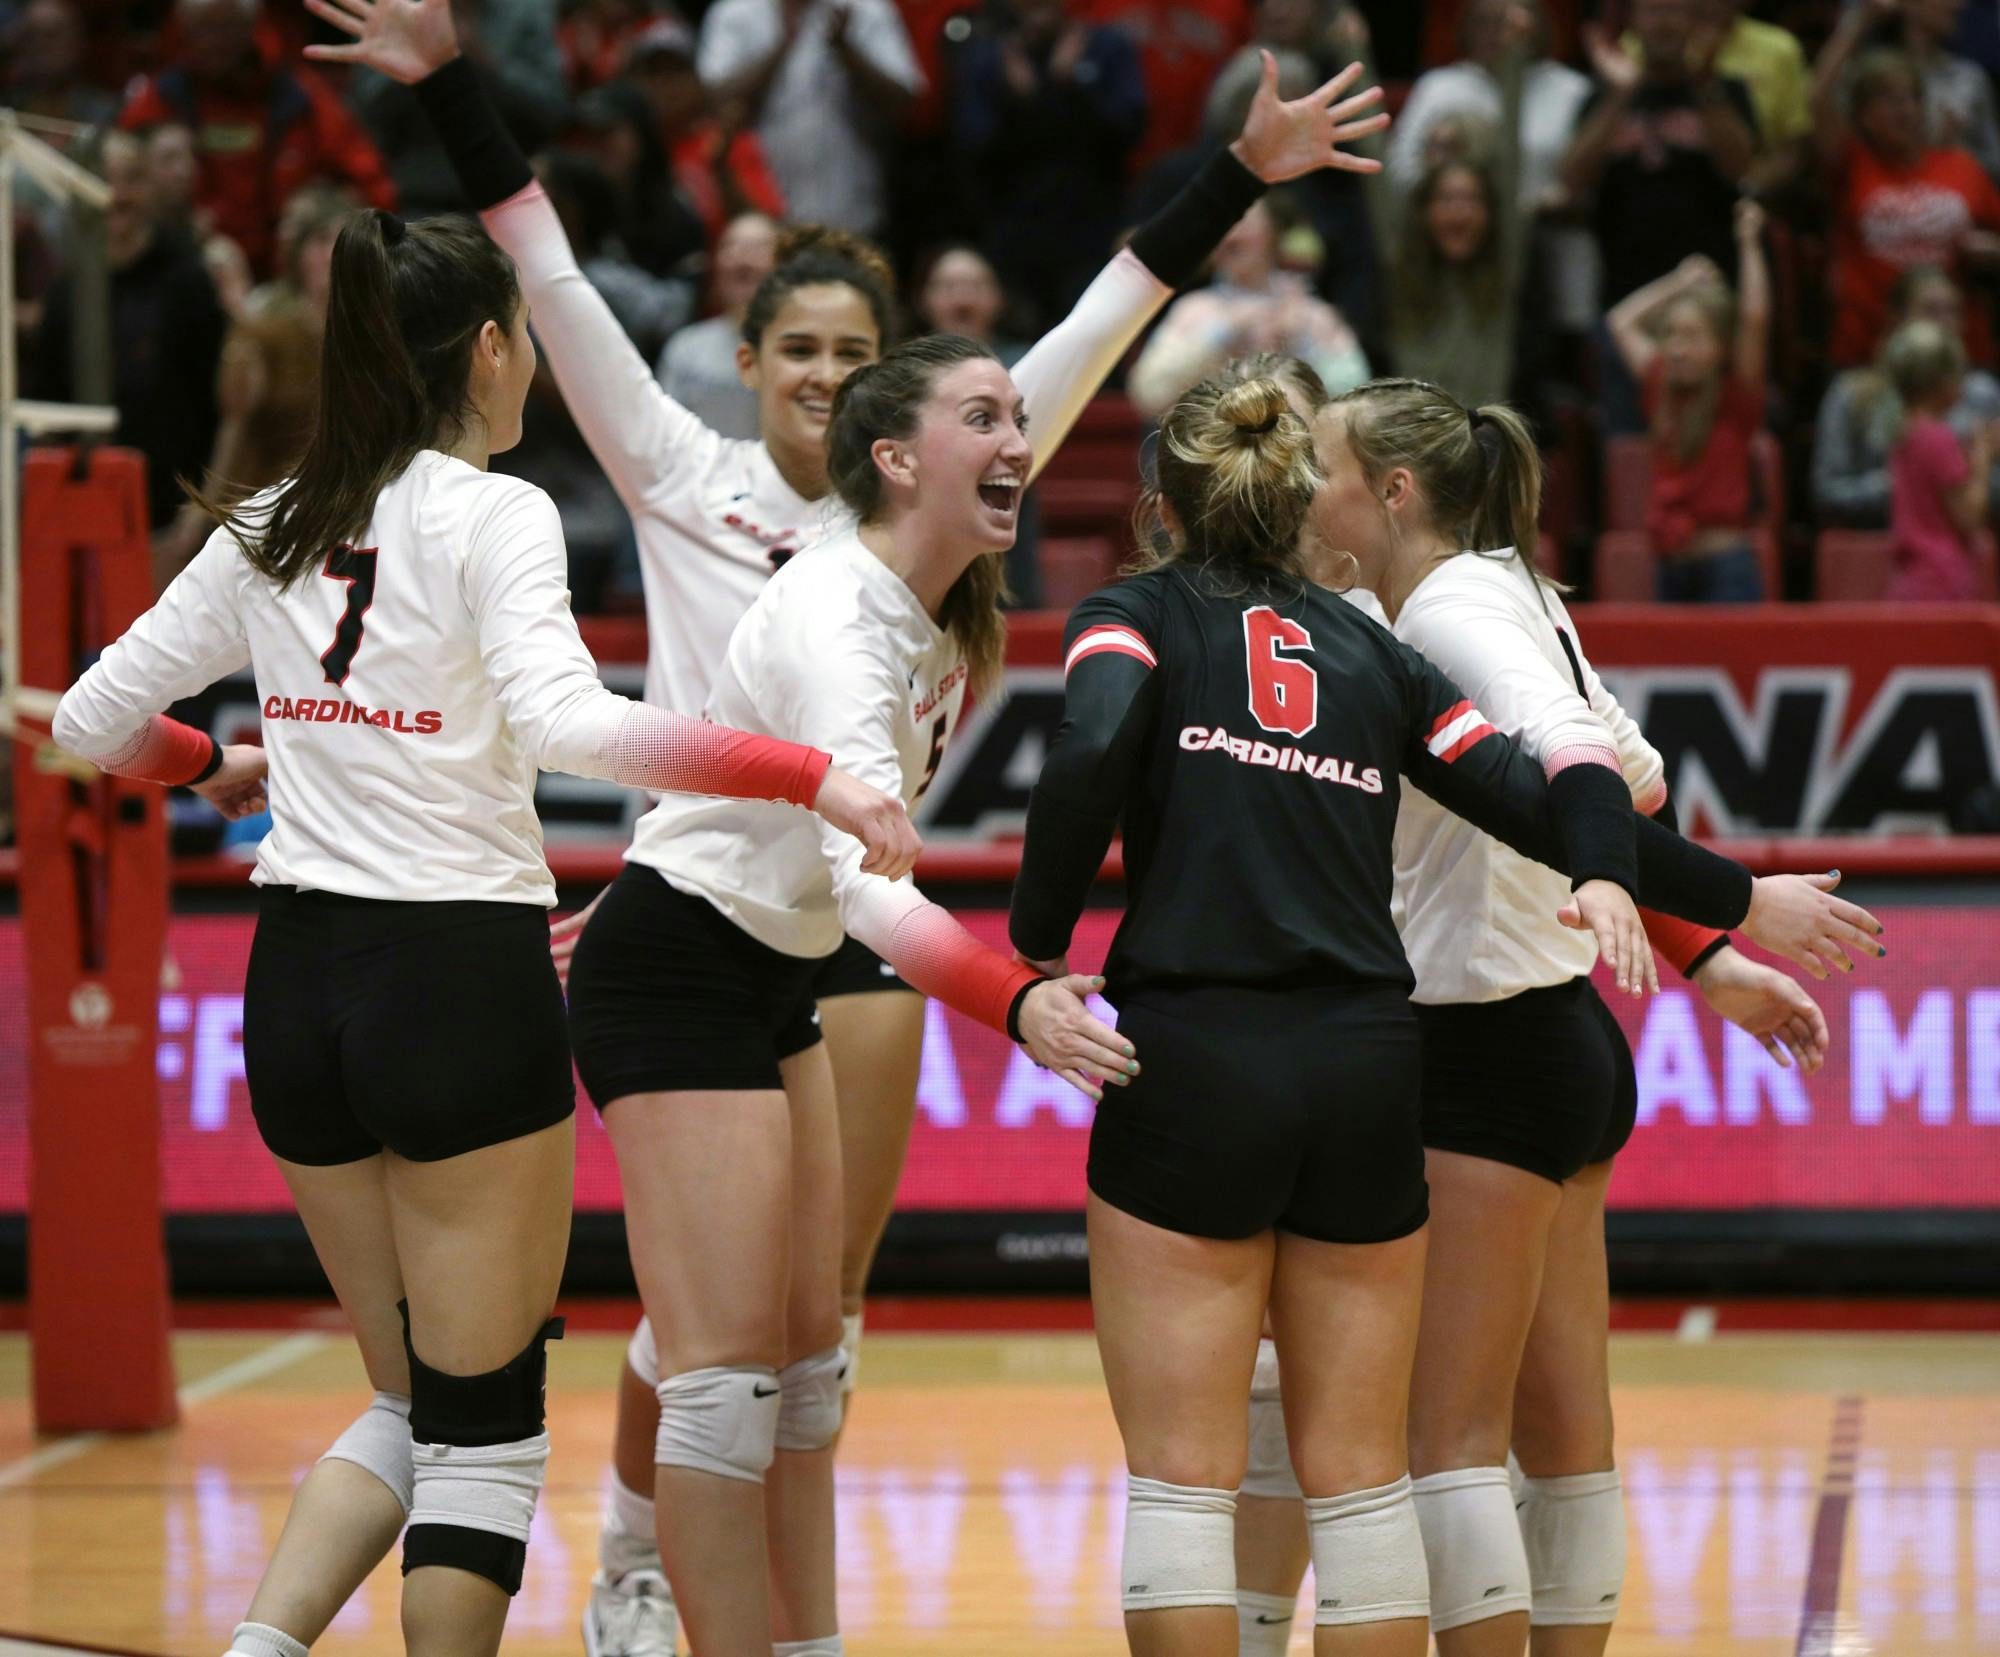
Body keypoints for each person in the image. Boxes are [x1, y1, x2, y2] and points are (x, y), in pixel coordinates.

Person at [303, 1, 1392, 1648]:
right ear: (764, 370)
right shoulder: (730, 507)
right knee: (718, 1348)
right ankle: (637, 1573)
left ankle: (775, 1619)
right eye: (791, 346)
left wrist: (1236, 172)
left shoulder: (941, 522)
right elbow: (559, 277)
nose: (818, 368)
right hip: (740, 904)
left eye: (844, 344)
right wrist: (455, 82)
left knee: (807, 1343)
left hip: (803, 926)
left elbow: (1108, 311)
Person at [45, 206, 916, 1657]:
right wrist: (807, 767)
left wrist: (211, 766)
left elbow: (88, 724)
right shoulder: (493, 510)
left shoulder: (273, 516)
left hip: (295, 986)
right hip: (454, 975)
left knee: (408, 1404)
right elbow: (577, 725)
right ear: (496, 348)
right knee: (486, 1437)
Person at [1006, 368, 1876, 1657]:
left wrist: (1027, 956)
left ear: (1161, 507)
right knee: (1373, 1473)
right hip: (1383, 1057)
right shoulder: (1378, 646)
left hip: (1242, 1045)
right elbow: (1564, 794)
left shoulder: (1143, 614)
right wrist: (1725, 911)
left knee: (1212, 1471)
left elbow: (1085, 753)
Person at [28, 129, 228, 554]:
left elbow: (222, 405)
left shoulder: (187, 277)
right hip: (83, 513)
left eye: (131, 179)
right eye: (103, 178)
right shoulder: (67, 290)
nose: (116, 194)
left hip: (175, 515)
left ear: (152, 187)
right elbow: (46, 407)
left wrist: (202, 510)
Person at [120, 0, 396, 277]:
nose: (213, 41)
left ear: (251, 27)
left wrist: (325, 211)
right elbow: (118, 177)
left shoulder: (302, 99)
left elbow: (373, 189)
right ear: (184, 30)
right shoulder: (160, 99)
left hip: (290, 273)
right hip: (183, 262)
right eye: (202, 29)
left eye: (225, 27)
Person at [948, 0, 1149, 333]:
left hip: (1092, 232)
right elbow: (971, 149)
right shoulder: (986, 57)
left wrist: (1074, 87)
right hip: (1012, 238)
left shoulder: (1108, 46)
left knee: (1087, 339)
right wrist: (1018, 102)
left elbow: (1130, 132)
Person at [1605, 197, 1771, 601]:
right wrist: (1680, 282)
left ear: (1720, 348)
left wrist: (1749, 242)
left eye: (1692, 336)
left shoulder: (1736, 394)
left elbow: (1754, 317)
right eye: (1671, 335)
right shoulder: (1660, 384)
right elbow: (1620, 321)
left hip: (1727, 568)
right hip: (1671, 565)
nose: (1676, 348)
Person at [1815, 14, 2000, 368]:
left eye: (1911, 97)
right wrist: (1857, 25)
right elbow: (1818, 99)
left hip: (1960, 355)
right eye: (1886, 100)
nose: (1903, 109)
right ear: (1862, 116)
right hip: (1867, 351)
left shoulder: (1961, 165)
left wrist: (1991, 252)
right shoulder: (1852, 163)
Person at [1127, 194, 1371, 420]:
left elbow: (1354, 398)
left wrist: (1301, 342)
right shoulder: (1193, 309)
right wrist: (1222, 334)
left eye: (1243, 220)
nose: (1230, 233)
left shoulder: (1312, 313)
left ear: (1273, 231)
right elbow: (1148, 394)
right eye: (1222, 224)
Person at [695, 0, 924, 235]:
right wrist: (781, 46)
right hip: (764, 225)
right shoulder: (734, 12)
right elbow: (711, 100)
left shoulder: (866, 9)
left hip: (853, 221)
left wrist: (846, 49)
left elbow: (904, 103)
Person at [1813, 264, 2000, 527]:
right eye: (1931, 310)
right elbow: (1827, 494)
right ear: (1897, 318)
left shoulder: (1983, 394)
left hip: (1959, 545)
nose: (1945, 323)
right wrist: (1917, 476)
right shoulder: (1851, 393)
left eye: (1954, 312)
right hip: (1875, 542)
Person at [1385, 157, 1549, 424]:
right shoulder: (1398, 276)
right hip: (1414, 438)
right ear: (1423, 212)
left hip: (1490, 439)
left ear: (1491, 213)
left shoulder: (1505, 276)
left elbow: (1510, 158)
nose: (1459, 212)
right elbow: (1376, 188)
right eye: (1447, 200)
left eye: (1472, 200)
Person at [1883, 317, 1998, 598]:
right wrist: (1984, 455)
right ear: (1942, 381)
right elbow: (1968, 517)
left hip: (1910, 576)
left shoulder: (1905, 431)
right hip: (1941, 580)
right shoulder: (1938, 438)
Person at [656, 211, 780, 441]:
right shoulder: (685, 348)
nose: (742, 260)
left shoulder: (802, 350)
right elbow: (665, 436)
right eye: (730, 247)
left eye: (758, 248)